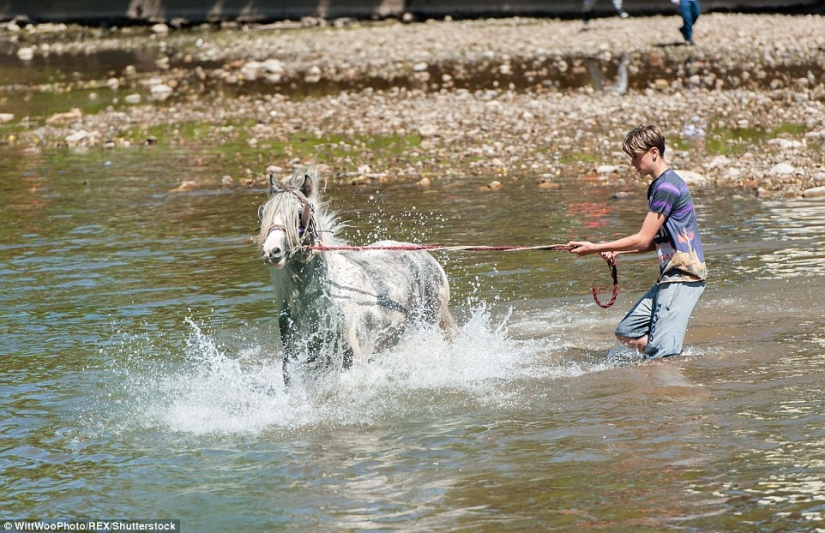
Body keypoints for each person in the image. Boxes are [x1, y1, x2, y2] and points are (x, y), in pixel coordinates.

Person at [568, 124, 707, 360]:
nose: (632, 163)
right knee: (628, 332)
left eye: (635, 156)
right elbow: (652, 242)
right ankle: (671, 353)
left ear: (653, 152)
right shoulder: (657, 186)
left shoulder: (667, 187)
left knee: (660, 356)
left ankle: (668, 360)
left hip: (683, 276)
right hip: (669, 276)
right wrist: (617, 252)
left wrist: (595, 248)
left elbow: (642, 237)